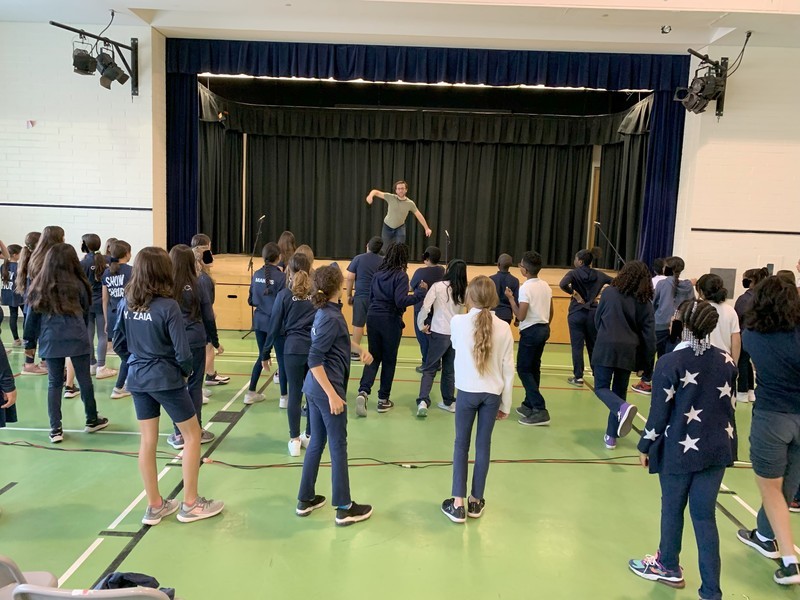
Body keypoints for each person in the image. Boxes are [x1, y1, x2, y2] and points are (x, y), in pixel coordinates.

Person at [629, 300, 738, 599]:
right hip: (716, 449)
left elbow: (658, 415)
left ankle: (668, 565)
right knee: (705, 519)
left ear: (683, 325)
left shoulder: (669, 363)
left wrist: (644, 444)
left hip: (678, 449)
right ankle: (711, 592)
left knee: (672, 509)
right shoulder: (727, 360)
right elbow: (729, 407)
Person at [113, 246, 224, 525]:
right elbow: (184, 353)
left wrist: (136, 361)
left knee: (148, 440)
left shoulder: (127, 302)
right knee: (192, 436)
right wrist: (184, 375)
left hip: (138, 378)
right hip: (166, 378)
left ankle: (155, 505)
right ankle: (191, 503)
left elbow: (117, 342)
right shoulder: (168, 306)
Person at [296, 265, 374, 526]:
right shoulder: (329, 317)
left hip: (314, 388)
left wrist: (358, 348)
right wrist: (332, 395)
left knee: (317, 441)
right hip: (325, 389)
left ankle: (305, 499)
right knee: (338, 445)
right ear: (338, 288)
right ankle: (344, 507)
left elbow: (337, 340)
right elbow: (314, 359)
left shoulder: (326, 313)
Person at [736, 276, 800, 585]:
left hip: (773, 417)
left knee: (773, 489)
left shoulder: (752, 337)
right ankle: (764, 534)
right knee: (787, 485)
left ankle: (789, 560)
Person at [441, 276, 514, 523]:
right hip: (492, 395)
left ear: (469, 297)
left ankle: (457, 502)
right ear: (494, 298)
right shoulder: (504, 327)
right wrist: (506, 404)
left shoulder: (458, 322)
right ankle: (475, 501)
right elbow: (508, 369)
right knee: (483, 446)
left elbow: (454, 346)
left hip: (466, 392)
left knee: (461, 444)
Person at [23, 243, 109, 443]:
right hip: (76, 334)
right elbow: (86, 310)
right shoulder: (79, 284)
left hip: (51, 337)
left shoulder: (39, 284)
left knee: (54, 383)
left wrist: (30, 341)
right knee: (84, 379)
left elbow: (32, 317)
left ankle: (55, 429)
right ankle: (91, 418)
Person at [355, 243, 427, 416]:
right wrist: (420, 294)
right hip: (389, 320)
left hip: (373, 317)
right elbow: (400, 301)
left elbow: (371, 297)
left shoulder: (377, 274)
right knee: (389, 360)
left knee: (373, 356)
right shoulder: (401, 276)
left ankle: (363, 391)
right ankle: (383, 400)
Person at [592, 260, 655, 449]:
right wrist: (647, 366)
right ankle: (611, 436)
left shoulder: (609, 292)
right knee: (619, 391)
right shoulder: (645, 302)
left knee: (602, 388)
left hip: (606, 346)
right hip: (629, 351)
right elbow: (649, 336)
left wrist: (604, 334)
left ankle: (622, 409)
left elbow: (598, 319)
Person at [165, 245, 220, 450]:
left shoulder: (165, 286)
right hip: (195, 339)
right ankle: (195, 429)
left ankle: (179, 433)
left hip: (172, 340)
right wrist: (214, 340)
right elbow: (208, 315)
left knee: (177, 386)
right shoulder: (199, 284)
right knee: (195, 385)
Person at [262, 252, 315, 456]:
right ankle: (309, 435)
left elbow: (274, 326)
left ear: (289, 271)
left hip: (292, 349)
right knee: (311, 393)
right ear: (309, 269)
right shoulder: (317, 293)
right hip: (314, 350)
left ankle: (294, 440)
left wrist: (265, 352)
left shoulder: (284, 295)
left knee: (295, 393)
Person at [632, 256, 695, 395]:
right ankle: (667, 384)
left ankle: (646, 381)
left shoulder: (663, 284)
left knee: (651, 353)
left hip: (660, 325)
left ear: (668, 268)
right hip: (679, 326)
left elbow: (652, 303)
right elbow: (692, 305)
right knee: (670, 356)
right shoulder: (689, 286)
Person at [505, 251, 553, 427]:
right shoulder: (546, 286)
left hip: (531, 332)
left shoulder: (526, 288)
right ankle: (529, 403)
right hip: (543, 328)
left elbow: (521, 315)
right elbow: (551, 311)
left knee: (524, 369)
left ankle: (540, 409)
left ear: (524, 270)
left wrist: (511, 299)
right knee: (534, 368)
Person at [415, 259, 467, 417]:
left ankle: (423, 400)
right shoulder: (464, 289)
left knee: (430, 369)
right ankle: (449, 401)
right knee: (449, 370)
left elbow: (426, 307)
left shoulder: (438, 286)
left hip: (438, 332)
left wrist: (420, 325)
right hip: (456, 334)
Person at [559, 249, 612, 386]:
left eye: (576, 259)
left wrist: (574, 293)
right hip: (593, 313)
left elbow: (562, 284)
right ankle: (597, 375)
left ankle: (578, 377)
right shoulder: (599, 275)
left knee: (577, 347)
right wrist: (603, 293)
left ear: (580, 261)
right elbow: (615, 283)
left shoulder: (573, 273)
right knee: (593, 345)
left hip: (577, 312)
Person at [244, 242, 286, 406]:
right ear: (279, 257)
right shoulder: (282, 278)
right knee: (281, 360)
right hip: (276, 325)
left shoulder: (256, 275)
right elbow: (283, 302)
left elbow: (251, 300)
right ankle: (284, 397)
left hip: (259, 322)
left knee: (262, 356)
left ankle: (250, 392)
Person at [19, 227, 64, 376]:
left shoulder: (37, 257)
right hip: (40, 301)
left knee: (38, 331)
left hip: (35, 301)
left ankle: (41, 361)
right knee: (35, 331)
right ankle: (29, 364)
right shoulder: (44, 258)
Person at [191, 234, 229, 392]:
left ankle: (210, 375)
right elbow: (205, 306)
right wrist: (216, 340)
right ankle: (196, 386)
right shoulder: (203, 280)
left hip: (198, 319)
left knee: (207, 350)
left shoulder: (197, 275)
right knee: (208, 349)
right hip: (200, 322)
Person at [80, 233, 117, 380]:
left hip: (87, 302)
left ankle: (92, 364)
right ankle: (102, 366)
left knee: (89, 334)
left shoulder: (82, 263)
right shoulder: (107, 260)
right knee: (103, 334)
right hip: (103, 301)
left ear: (85, 245)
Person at [102, 240, 133, 399]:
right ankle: (120, 386)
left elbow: (105, 299)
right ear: (127, 253)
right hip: (128, 317)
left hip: (114, 316)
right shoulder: (131, 271)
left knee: (126, 352)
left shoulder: (107, 273)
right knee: (130, 354)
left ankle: (128, 382)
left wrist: (107, 320)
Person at [734, 267, 769, 403]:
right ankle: (750, 390)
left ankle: (742, 390)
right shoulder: (764, 297)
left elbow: (739, 317)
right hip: (760, 335)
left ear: (751, 281)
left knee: (742, 361)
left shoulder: (744, 299)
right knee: (747, 362)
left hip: (746, 333)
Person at [345, 236, 384, 355]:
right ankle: (376, 351)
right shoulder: (383, 261)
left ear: (367, 245)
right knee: (376, 325)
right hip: (377, 297)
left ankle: (355, 352)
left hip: (361, 296)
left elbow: (350, 278)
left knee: (358, 324)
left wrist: (348, 294)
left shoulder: (358, 259)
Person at [366, 180, 433, 248]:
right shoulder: (390, 197)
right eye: (398, 189)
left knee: (400, 248)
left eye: (402, 188)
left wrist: (426, 228)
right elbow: (375, 192)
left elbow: (419, 215)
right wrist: (370, 196)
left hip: (400, 227)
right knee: (385, 248)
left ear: (406, 190)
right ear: (396, 190)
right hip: (387, 226)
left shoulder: (410, 203)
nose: (400, 190)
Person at [409, 246, 445, 371]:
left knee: (423, 337)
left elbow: (411, 287)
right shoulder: (442, 270)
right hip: (437, 308)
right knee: (434, 335)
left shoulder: (420, 272)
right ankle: (436, 361)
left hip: (422, 308)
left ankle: (427, 363)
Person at [695, 273, 741, 363]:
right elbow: (736, 340)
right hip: (724, 360)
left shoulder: (696, 309)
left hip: (700, 358)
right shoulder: (730, 310)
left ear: (700, 291)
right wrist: (734, 365)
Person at [1, 243, 23, 347]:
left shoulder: (3, 266)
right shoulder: (18, 267)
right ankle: (27, 338)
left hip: (8, 293)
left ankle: (16, 339)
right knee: (27, 316)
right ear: (15, 255)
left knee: (13, 315)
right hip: (19, 293)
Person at [489, 253, 518, 325]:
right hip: (506, 315)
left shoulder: (491, 279)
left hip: (492, 313)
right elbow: (517, 300)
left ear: (498, 264)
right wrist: (517, 319)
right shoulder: (514, 280)